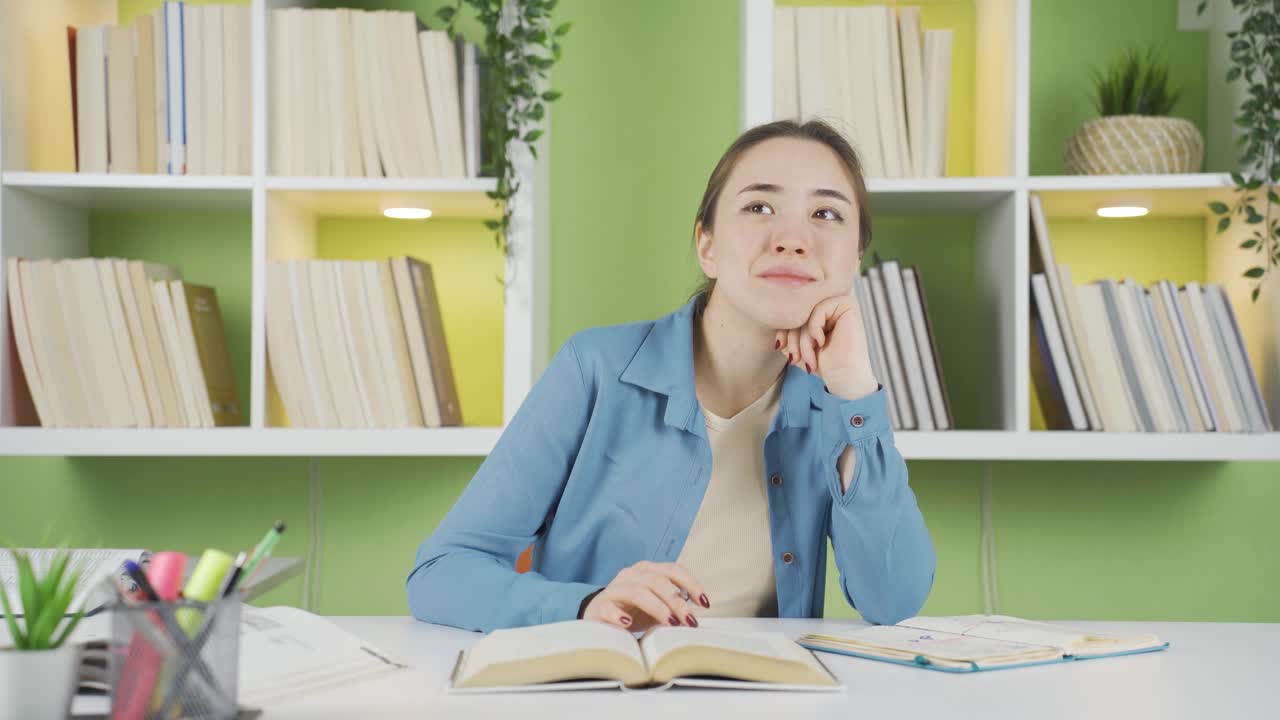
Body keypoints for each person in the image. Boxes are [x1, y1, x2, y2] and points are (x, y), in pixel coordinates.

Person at [407, 119, 935, 633]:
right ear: (706, 245)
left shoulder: (837, 401)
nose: (793, 239)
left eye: (826, 213)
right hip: (599, 692)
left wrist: (855, 392)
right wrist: (587, 604)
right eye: (758, 206)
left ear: (854, 260)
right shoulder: (595, 368)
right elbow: (442, 572)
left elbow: (893, 598)